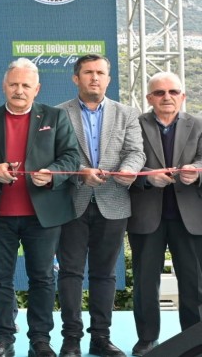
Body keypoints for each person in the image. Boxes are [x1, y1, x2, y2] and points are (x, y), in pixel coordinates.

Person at [0, 58, 80, 357]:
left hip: (43, 215)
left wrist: (53, 174)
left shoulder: (56, 117)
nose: (19, 90)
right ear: (3, 86)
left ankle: (40, 341)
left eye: (25, 85)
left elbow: (71, 157)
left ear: (37, 89)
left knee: (43, 278)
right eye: (13, 84)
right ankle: (2, 340)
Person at [57, 54, 145, 357]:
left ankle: (100, 338)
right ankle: (71, 339)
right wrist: (80, 171)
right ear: (76, 78)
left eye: (100, 72)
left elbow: (136, 152)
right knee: (70, 273)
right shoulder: (58, 113)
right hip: (71, 203)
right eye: (88, 72)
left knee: (104, 274)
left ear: (108, 78)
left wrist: (129, 170)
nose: (94, 77)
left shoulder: (127, 113)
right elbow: (55, 155)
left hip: (114, 201)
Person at [127, 72, 202, 356]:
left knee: (195, 285)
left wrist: (196, 171)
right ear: (149, 98)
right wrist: (147, 177)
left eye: (173, 91)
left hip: (191, 218)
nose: (167, 97)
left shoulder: (198, 124)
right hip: (147, 216)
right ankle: (147, 339)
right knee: (145, 283)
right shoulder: (134, 124)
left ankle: (194, 342)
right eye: (159, 92)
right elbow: (125, 160)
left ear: (183, 96)